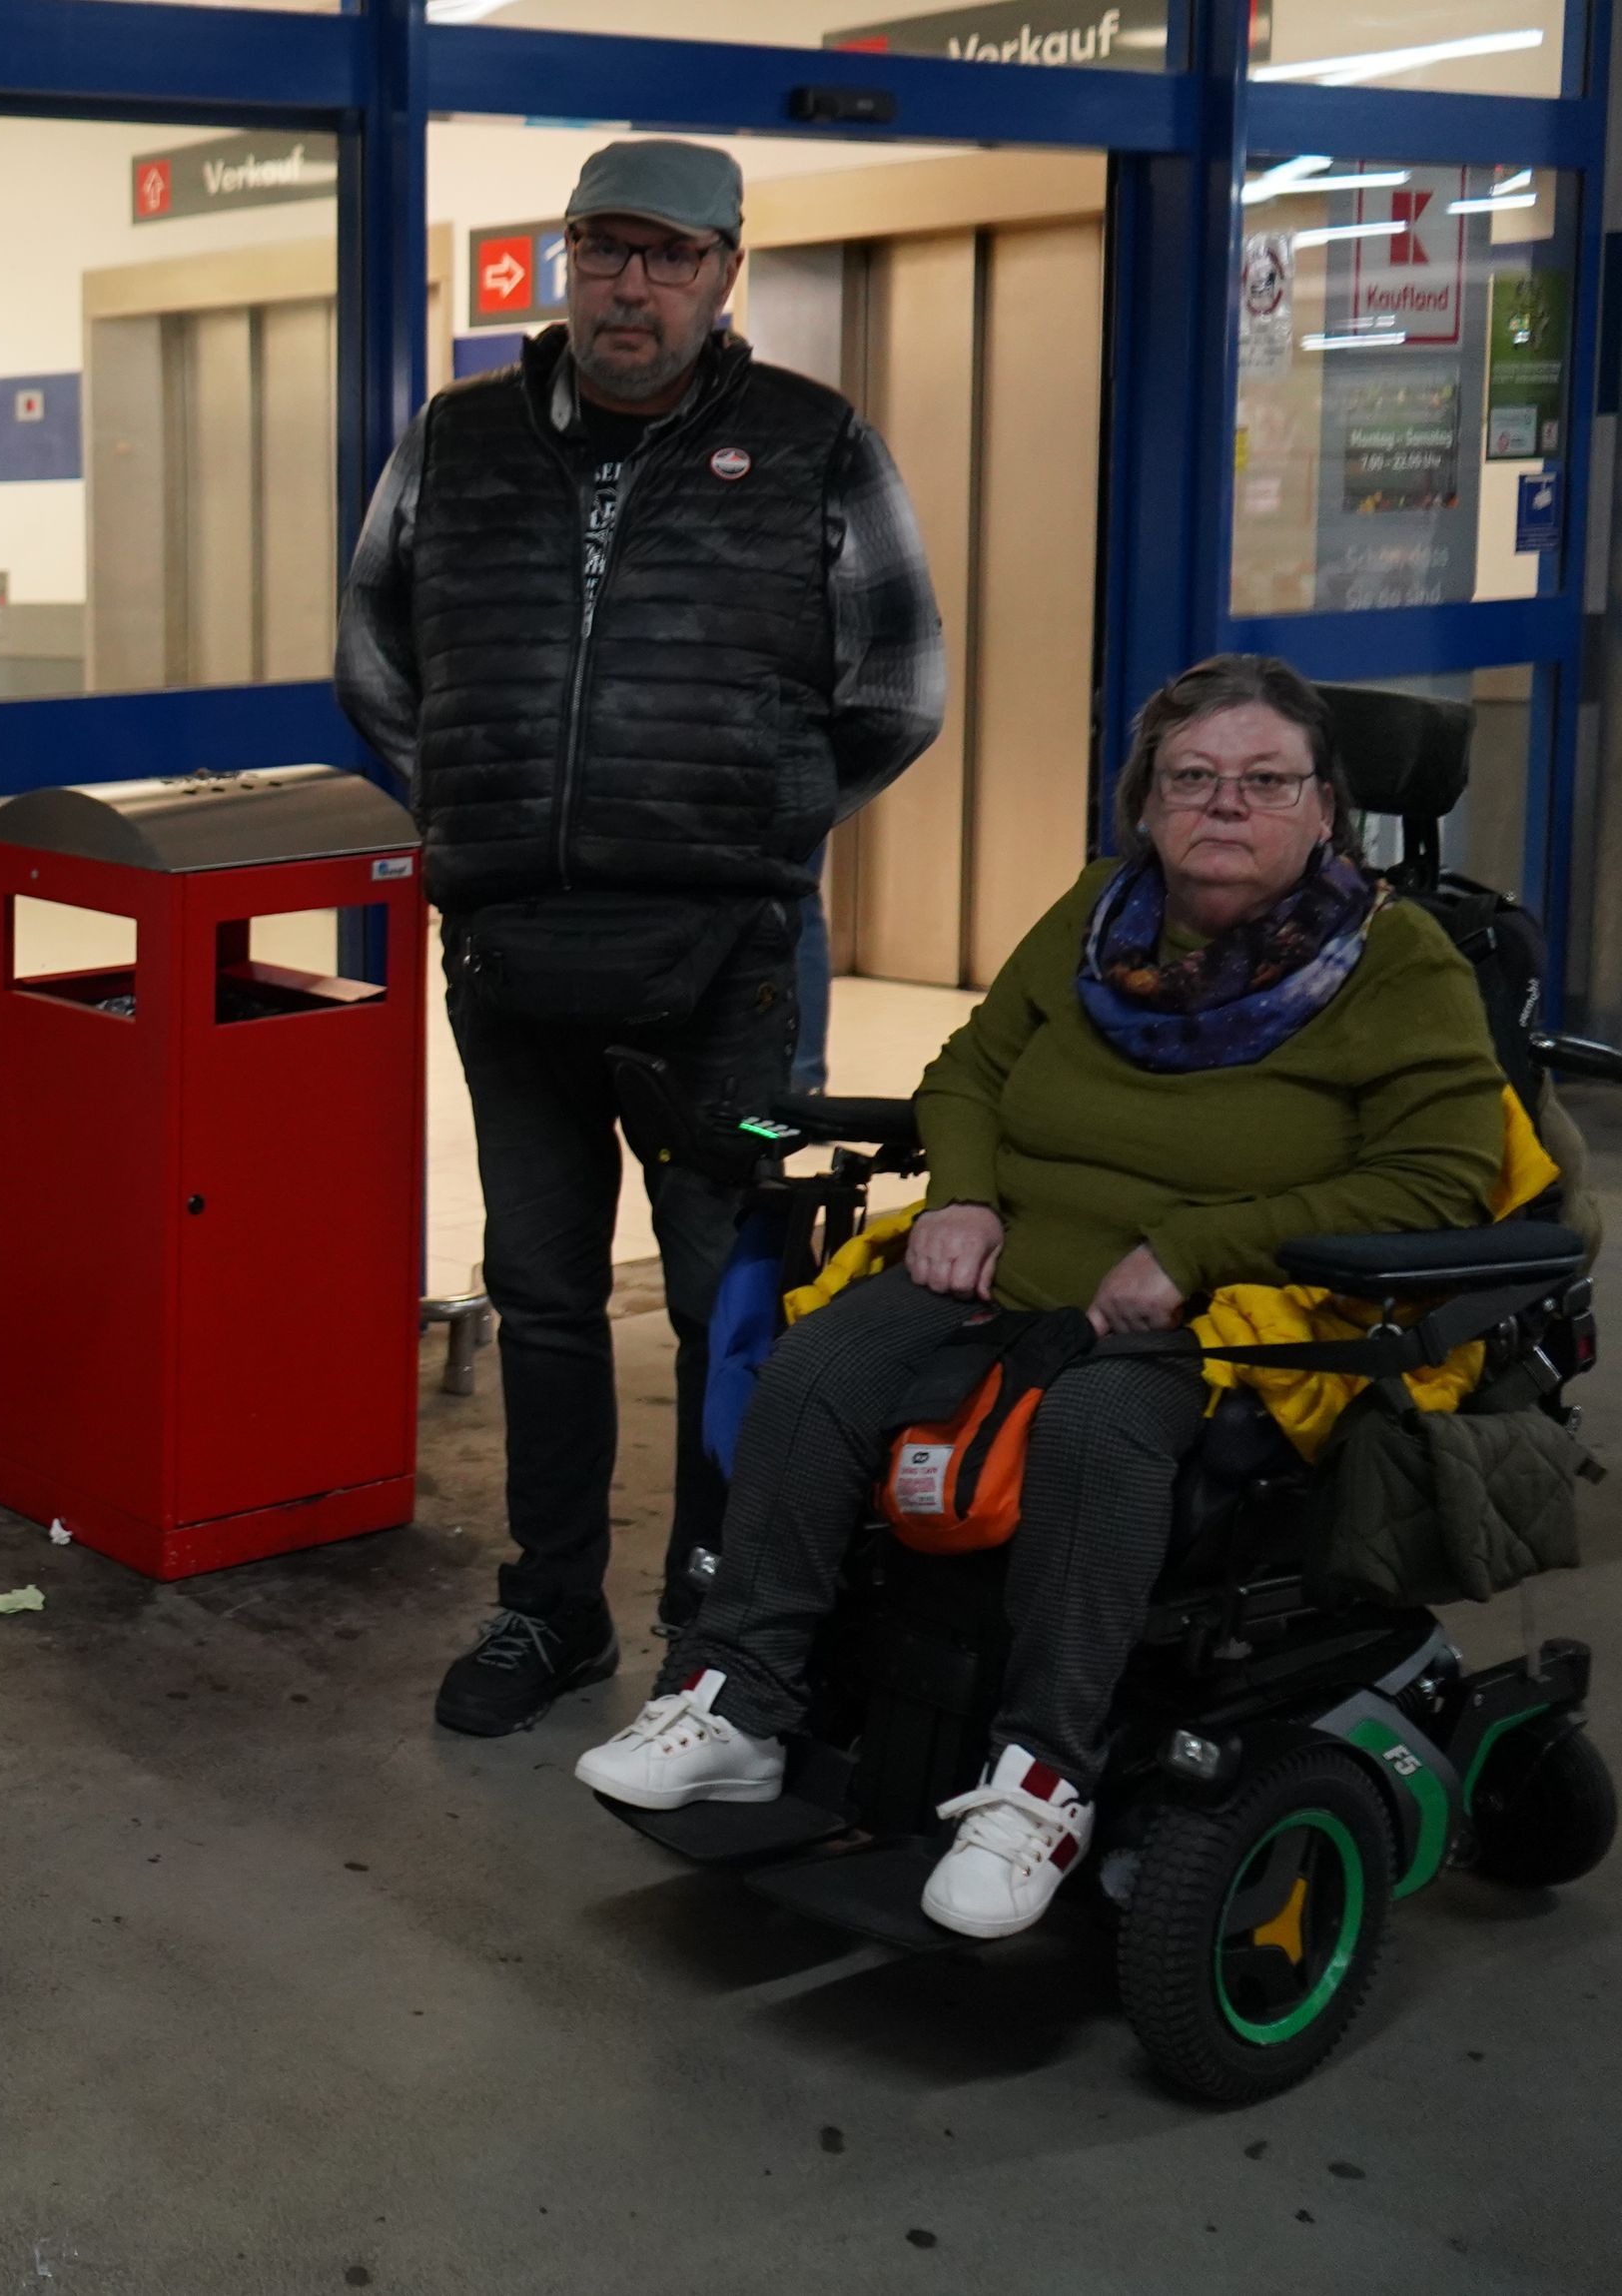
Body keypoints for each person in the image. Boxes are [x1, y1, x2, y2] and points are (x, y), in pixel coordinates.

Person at [575, 656, 1506, 1936]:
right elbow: (967, 1069)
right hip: (1017, 1259)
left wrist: (1200, 1250)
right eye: (1191, 779)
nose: (1223, 806)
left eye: (1264, 781)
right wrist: (958, 1195)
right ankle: (741, 1696)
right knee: (822, 1364)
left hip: (1238, 1313)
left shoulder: (1396, 964)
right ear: (1145, 802)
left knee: (1096, 1433)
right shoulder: (1098, 914)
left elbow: (1446, 1177)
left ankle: (1042, 1781)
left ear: (1323, 807)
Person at [337, 138, 946, 1737]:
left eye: (669, 255)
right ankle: (550, 1610)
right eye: (605, 249)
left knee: (720, 1295)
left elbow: (900, 684)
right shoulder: (456, 440)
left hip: (724, 967)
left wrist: (755, 820)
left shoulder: (815, 444)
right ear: (561, 261)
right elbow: (378, 654)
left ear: (724, 272)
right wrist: (492, 809)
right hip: (513, 957)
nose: (632, 283)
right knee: (538, 1289)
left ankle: (721, 1608)